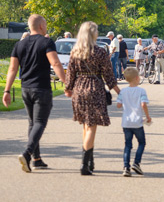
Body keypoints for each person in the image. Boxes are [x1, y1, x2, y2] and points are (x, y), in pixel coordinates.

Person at [2, 14, 66, 173]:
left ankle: (36, 159)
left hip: (25, 89)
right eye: (45, 24)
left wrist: (7, 90)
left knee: (32, 122)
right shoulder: (46, 42)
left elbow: (12, 69)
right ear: (41, 26)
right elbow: (55, 62)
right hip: (41, 88)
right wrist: (66, 82)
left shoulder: (19, 44)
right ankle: (27, 153)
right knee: (40, 122)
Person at [65, 22, 120, 175]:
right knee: (91, 127)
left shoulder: (75, 51)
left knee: (85, 125)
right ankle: (84, 164)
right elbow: (109, 76)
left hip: (79, 89)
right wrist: (119, 91)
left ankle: (90, 161)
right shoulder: (100, 52)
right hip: (95, 88)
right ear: (93, 34)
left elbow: (70, 74)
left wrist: (68, 88)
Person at [116, 67, 151, 177]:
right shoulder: (141, 91)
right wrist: (148, 116)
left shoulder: (123, 91)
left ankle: (126, 167)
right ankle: (136, 163)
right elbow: (143, 104)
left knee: (128, 145)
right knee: (141, 143)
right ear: (137, 78)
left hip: (126, 122)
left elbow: (118, 105)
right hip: (137, 122)